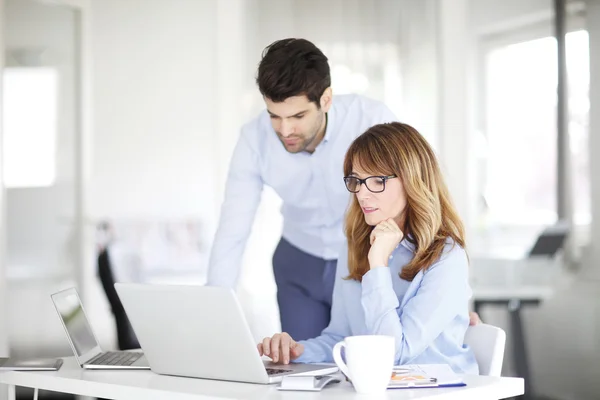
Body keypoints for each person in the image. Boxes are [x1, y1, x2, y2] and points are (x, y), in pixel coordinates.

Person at [206, 38, 398, 340]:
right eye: (274, 115)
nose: (284, 131)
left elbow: (418, 200)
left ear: (326, 100)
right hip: (298, 262)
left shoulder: (371, 120)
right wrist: (213, 309)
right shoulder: (253, 139)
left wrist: (447, 301)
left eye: (297, 116)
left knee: (368, 366)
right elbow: (233, 228)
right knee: (304, 370)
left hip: (361, 257)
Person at [257, 122, 479, 374]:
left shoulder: (447, 257)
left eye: (376, 180)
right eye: (357, 181)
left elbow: (394, 353)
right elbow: (341, 338)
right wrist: (295, 350)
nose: (362, 194)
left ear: (412, 180)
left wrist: (378, 266)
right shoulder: (356, 247)